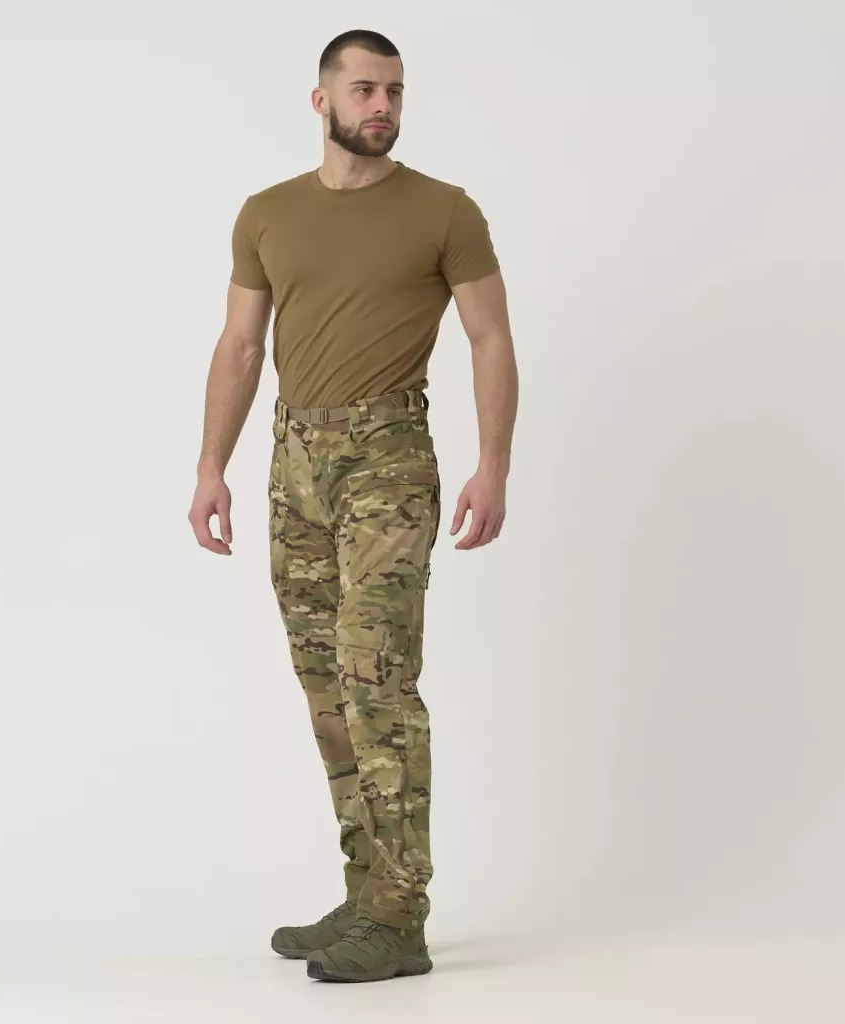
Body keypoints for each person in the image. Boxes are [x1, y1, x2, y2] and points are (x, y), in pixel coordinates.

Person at [188, 28, 518, 983]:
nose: (383, 106)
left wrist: (493, 467)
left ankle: (401, 917)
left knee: (378, 679)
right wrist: (211, 467)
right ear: (322, 99)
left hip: (387, 458)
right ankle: (368, 889)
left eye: (395, 91)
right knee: (325, 681)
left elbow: (490, 338)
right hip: (294, 461)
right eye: (366, 89)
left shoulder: (444, 211)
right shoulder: (268, 213)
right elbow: (240, 346)